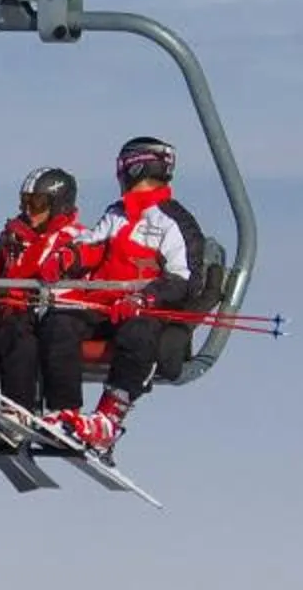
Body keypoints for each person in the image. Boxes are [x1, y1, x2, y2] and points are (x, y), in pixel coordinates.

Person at [39, 134, 213, 453]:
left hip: (144, 311)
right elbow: (93, 241)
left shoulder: (173, 221)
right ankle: (65, 411)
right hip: (103, 303)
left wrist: (145, 298)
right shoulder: (118, 213)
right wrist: (69, 257)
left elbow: (187, 278)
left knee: (139, 334)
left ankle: (108, 418)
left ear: (134, 168)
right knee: (58, 323)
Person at [0, 166, 84, 412]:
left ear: (58, 205)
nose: (28, 211)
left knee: (17, 334)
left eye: (37, 204)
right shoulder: (13, 236)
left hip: (39, 314)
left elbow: (74, 281)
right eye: (25, 203)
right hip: (5, 310)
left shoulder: (73, 239)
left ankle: (20, 407)